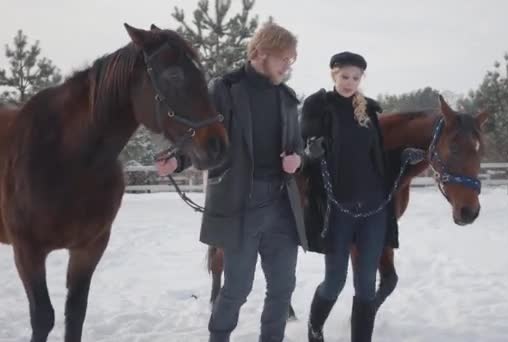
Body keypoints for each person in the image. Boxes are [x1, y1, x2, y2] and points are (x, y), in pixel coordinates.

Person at [155, 22, 307, 342]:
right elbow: (201, 136)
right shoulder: (224, 89)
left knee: (282, 287)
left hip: (281, 206)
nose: (287, 66)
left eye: (291, 60)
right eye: (284, 58)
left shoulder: (288, 97)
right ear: (261, 53)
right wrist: (178, 160)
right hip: (241, 204)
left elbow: (298, 147)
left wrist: (297, 159)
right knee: (237, 288)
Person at [300, 51, 399, 342]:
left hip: (373, 207)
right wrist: (310, 152)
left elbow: (376, 155)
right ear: (333, 74)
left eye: (356, 78)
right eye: (345, 76)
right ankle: (314, 327)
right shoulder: (319, 106)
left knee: (367, 284)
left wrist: (401, 156)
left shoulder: (367, 109)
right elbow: (304, 145)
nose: (350, 82)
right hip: (338, 207)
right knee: (334, 282)